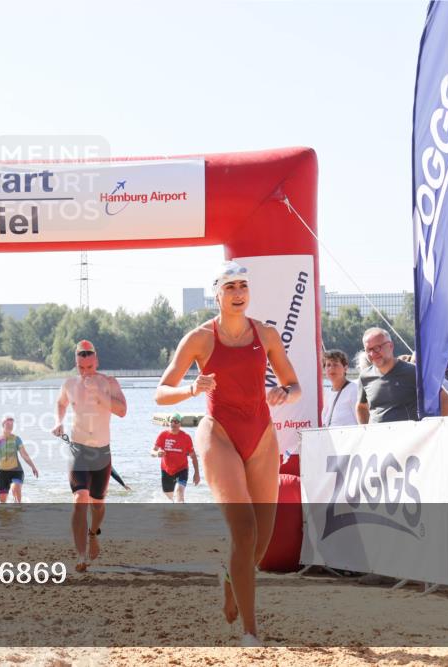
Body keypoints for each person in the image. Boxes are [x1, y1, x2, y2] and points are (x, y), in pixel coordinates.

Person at [155, 261, 301, 647]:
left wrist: (284, 393)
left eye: (243, 286)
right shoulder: (200, 338)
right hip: (218, 434)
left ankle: (230, 578)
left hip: (261, 435)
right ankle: (251, 633)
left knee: (262, 541)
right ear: (217, 294)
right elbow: (161, 391)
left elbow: (294, 385)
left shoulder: (266, 334)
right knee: (245, 530)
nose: (238, 293)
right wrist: (191, 389)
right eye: (230, 287)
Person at [52, 339, 127, 573]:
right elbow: (60, 403)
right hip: (78, 448)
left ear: (97, 362)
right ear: (76, 364)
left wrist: (100, 395)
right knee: (79, 498)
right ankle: (80, 555)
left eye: (90, 367)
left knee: (98, 505)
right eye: (81, 368)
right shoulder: (69, 384)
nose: (85, 372)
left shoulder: (109, 383)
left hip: (102, 451)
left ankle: (93, 533)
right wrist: (59, 422)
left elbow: (123, 411)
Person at [356, 328, 419, 424]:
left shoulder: (413, 372)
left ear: (390, 346)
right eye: (368, 350)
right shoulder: (364, 377)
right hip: (376, 436)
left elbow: (442, 396)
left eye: (377, 348)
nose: (372, 354)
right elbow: (361, 406)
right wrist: (364, 431)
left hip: (408, 436)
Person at [0, 416, 39, 503]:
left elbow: (24, 454)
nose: (10, 426)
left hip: (16, 472)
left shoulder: (17, 439)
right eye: (8, 424)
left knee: (16, 487)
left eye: (12, 424)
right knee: (3, 503)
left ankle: (17, 510)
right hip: (2, 474)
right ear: (3, 425)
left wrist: (33, 467)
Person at [152, 413, 200, 502]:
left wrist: (197, 473)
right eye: (172, 421)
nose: (173, 423)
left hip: (182, 469)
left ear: (180, 424)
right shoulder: (163, 435)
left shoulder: (186, 437)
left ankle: (181, 514)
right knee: (170, 497)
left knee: (179, 491)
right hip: (166, 470)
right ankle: (177, 512)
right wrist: (157, 453)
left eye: (176, 421)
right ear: (169, 423)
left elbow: (193, 456)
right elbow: (152, 451)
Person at [321, 350, 359, 427]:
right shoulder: (328, 393)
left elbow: (362, 423)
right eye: (328, 365)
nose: (331, 368)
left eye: (335, 364)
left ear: (345, 368)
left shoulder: (354, 390)